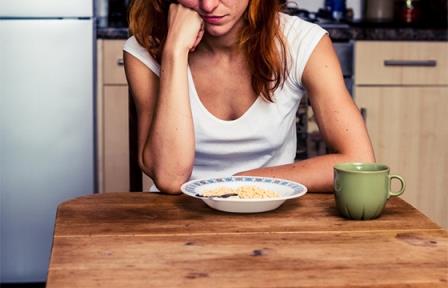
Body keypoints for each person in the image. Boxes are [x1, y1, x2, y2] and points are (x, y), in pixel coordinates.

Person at [123, 0, 375, 194]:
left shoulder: (302, 41)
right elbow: (170, 178)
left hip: (269, 209)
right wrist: (174, 52)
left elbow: (359, 161)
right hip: (173, 219)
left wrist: (242, 185)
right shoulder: (143, 50)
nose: (209, 5)